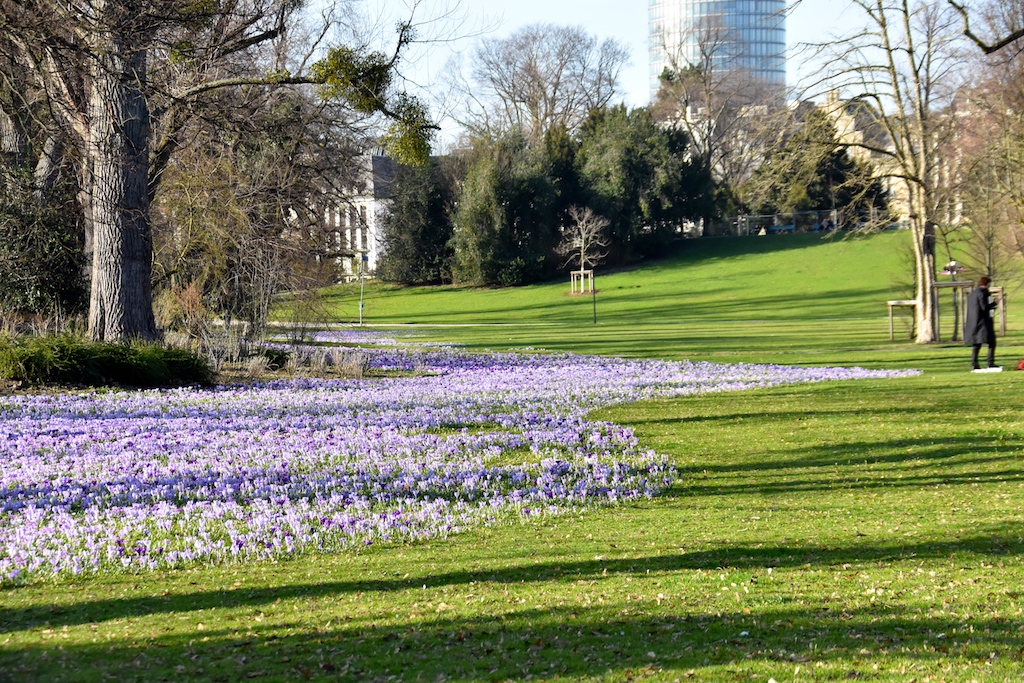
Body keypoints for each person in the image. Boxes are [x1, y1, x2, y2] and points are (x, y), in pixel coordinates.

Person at [964, 275, 999, 371]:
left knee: (977, 344)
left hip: (973, 322)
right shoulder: (982, 293)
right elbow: (984, 307)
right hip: (982, 323)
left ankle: (974, 363)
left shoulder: (972, 294)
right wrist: (995, 303)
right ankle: (990, 362)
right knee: (991, 342)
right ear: (986, 284)